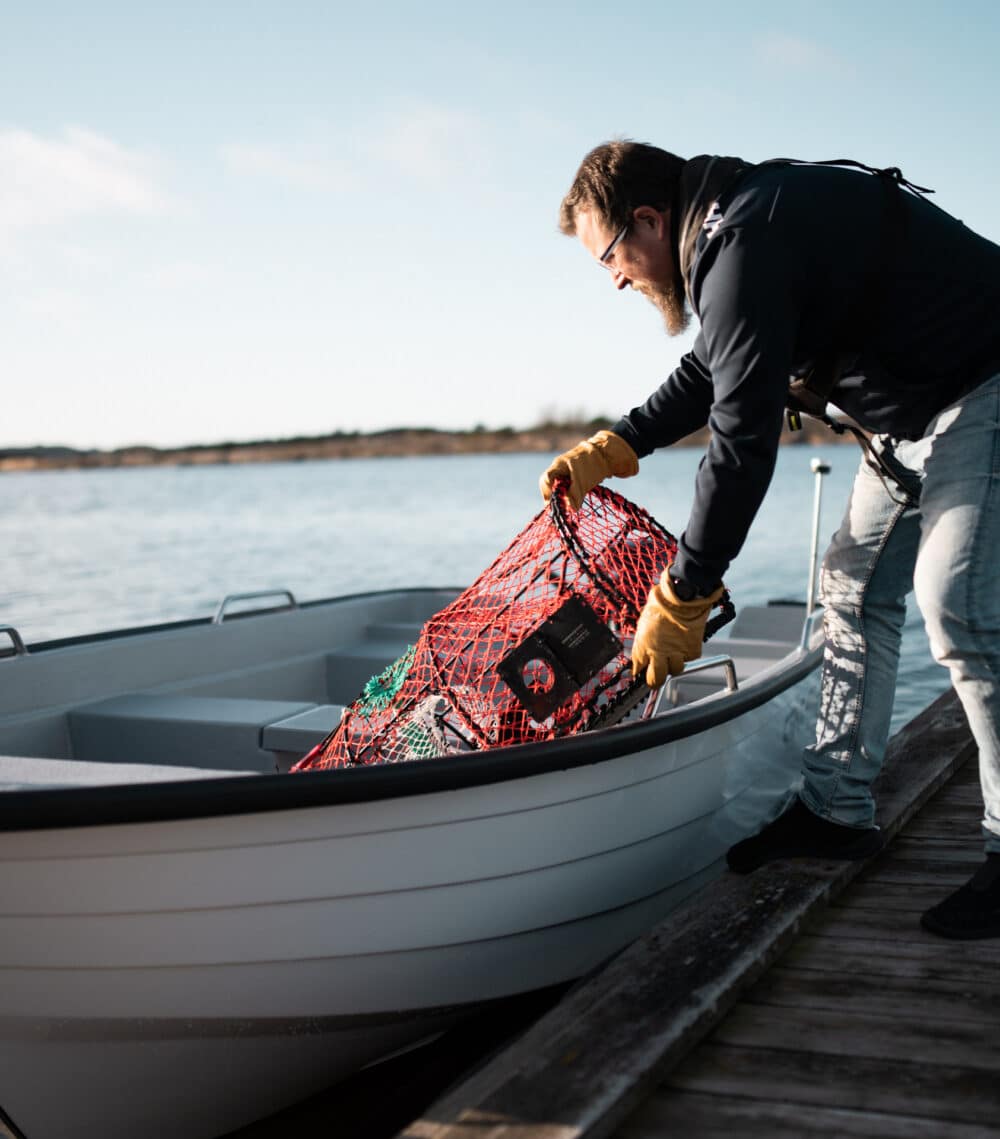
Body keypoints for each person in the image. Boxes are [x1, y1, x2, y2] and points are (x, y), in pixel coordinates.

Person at [541, 141, 1000, 939]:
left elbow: (742, 440)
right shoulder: (730, 237)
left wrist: (686, 590)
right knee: (851, 592)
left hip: (985, 379)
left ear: (649, 221)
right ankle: (835, 810)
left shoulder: (746, 241)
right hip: (909, 415)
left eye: (610, 256)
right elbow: (713, 368)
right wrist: (621, 443)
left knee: (956, 603)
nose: (614, 277)